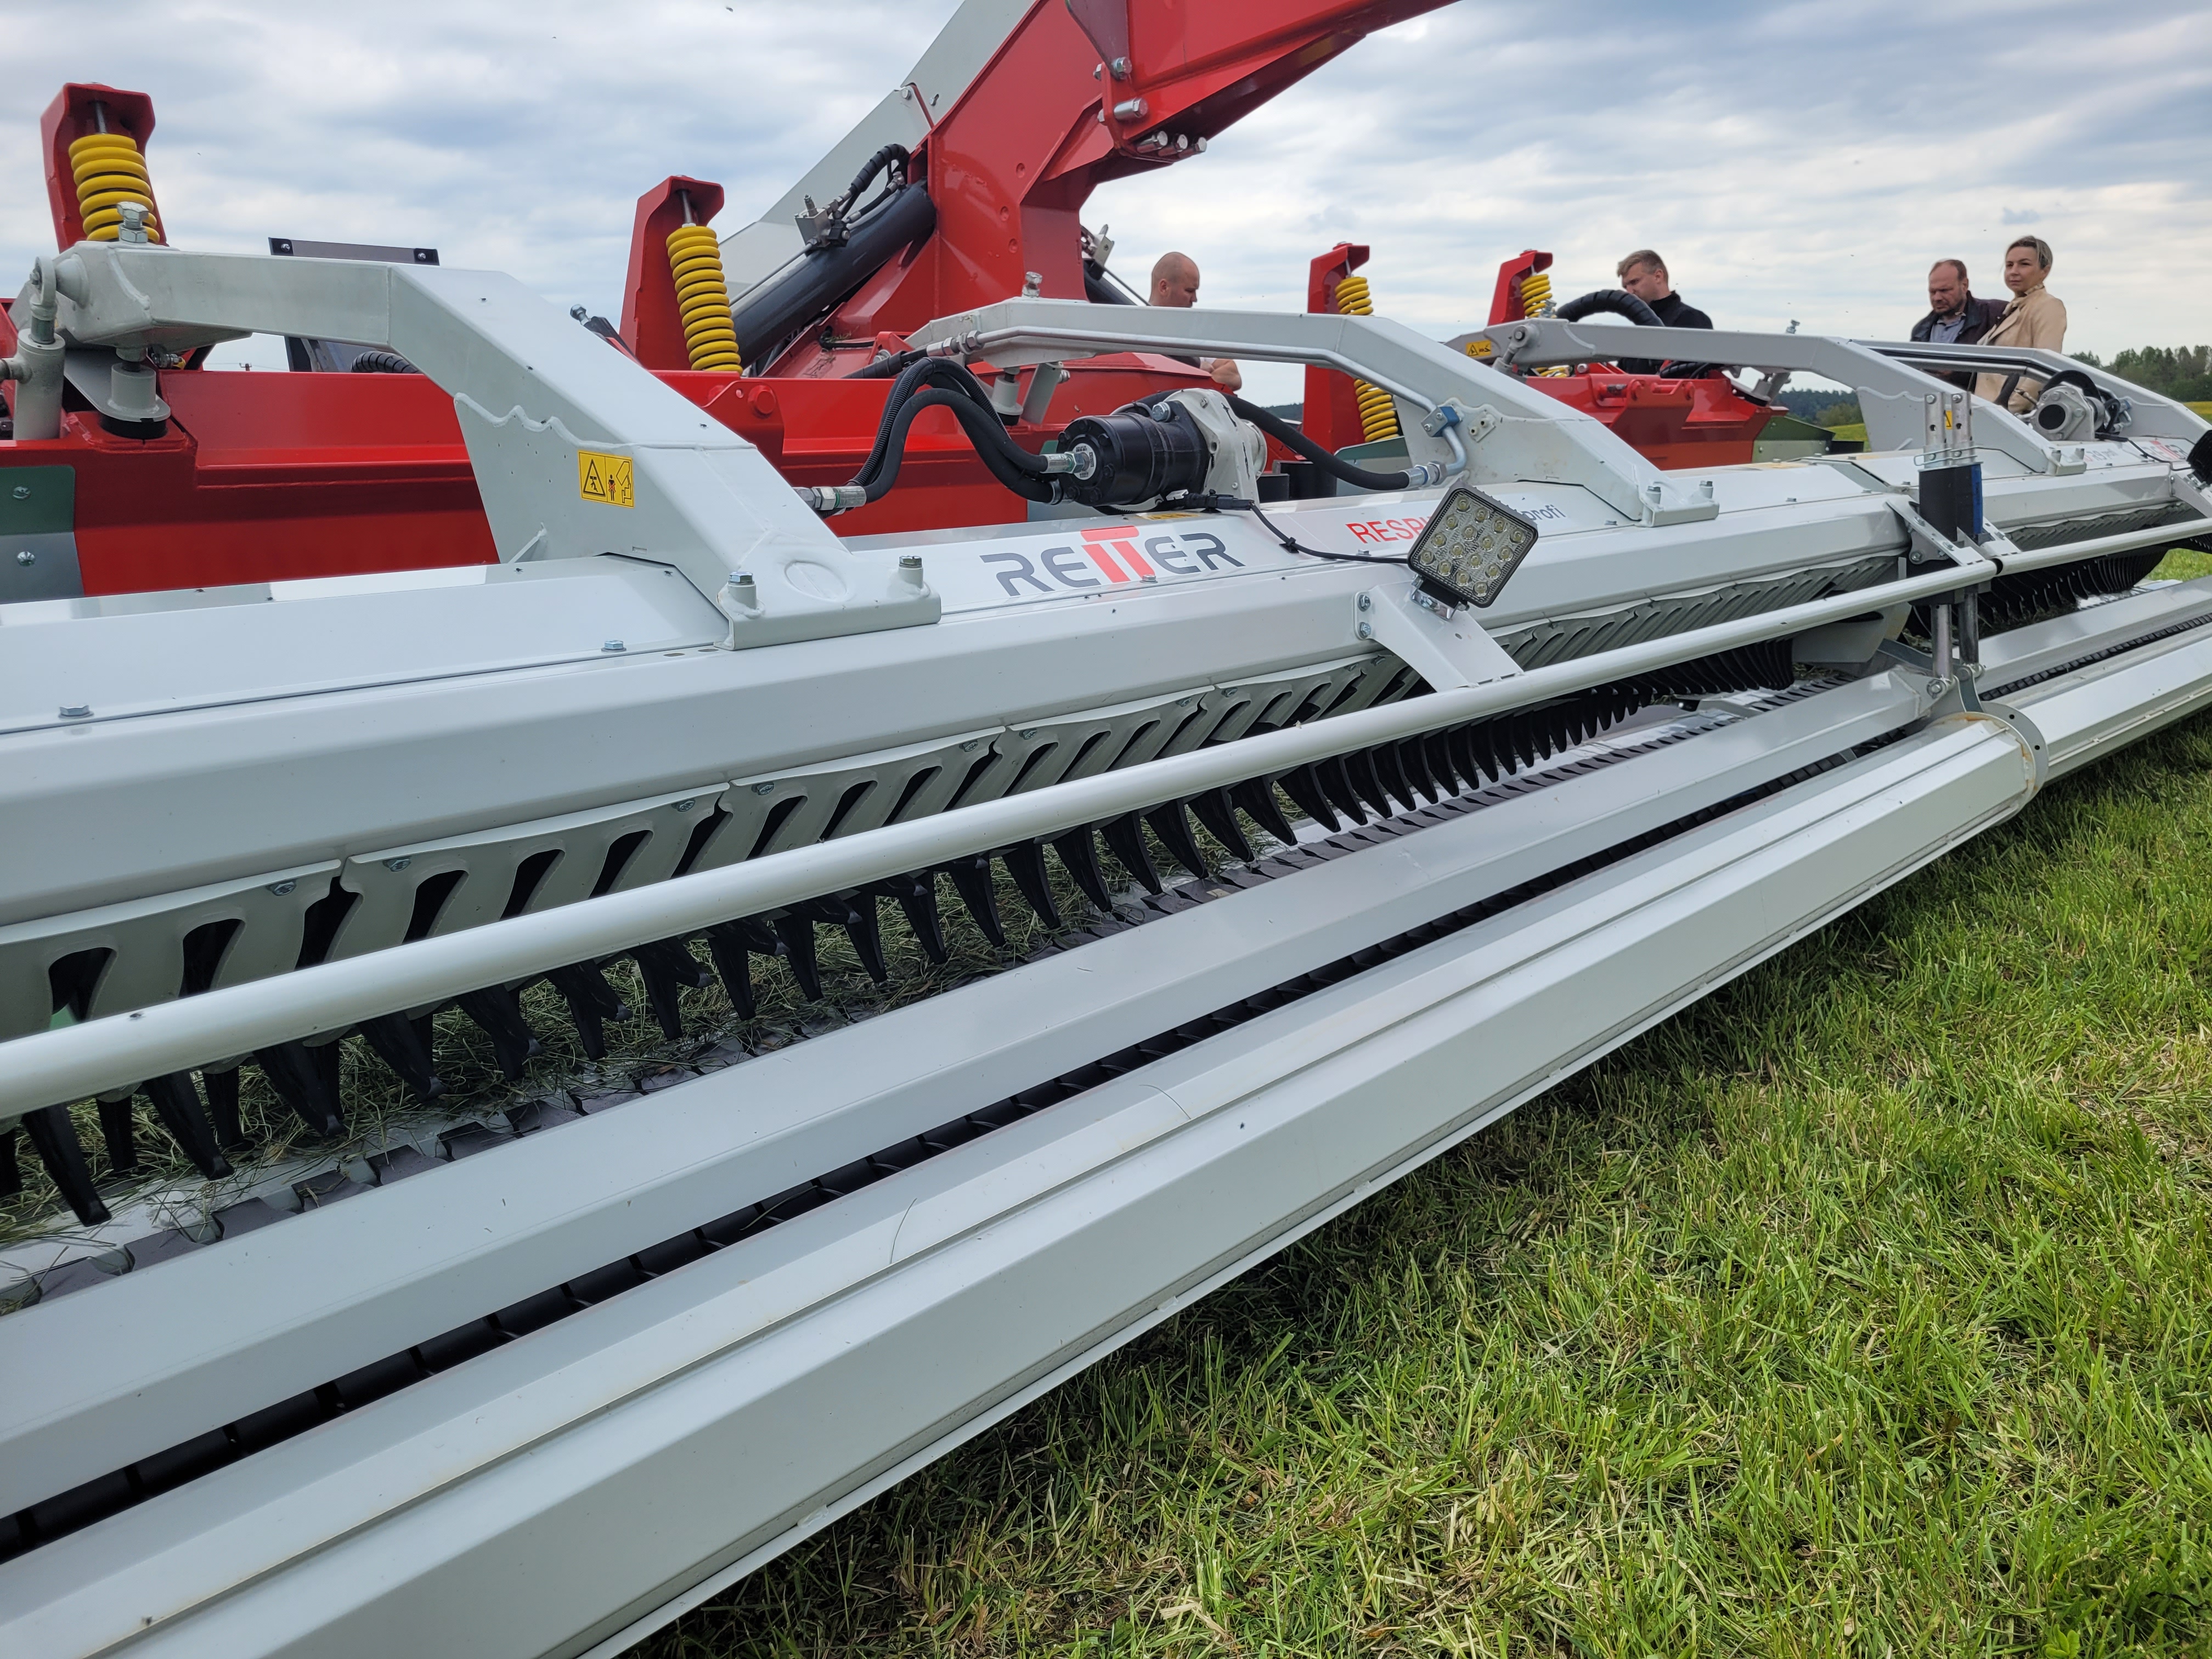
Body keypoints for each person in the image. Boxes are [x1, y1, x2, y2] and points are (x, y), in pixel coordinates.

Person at [1974, 236, 2066, 413]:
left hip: (2005, 417)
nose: (2014, 271)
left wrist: (2010, 409)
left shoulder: (2048, 306)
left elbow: (2046, 364)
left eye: (2024, 264)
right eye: (2009, 265)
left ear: (2044, 271)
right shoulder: (2015, 308)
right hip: (1985, 412)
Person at [1148, 251, 1242, 392]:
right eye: (1189, 291)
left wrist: (1197, 377)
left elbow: (1234, 376)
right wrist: (1200, 371)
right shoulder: (1135, 336)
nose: (1195, 299)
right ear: (1164, 287)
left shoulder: (1195, 333)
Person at [1614, 250, 1711, 374]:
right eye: (1625, 287)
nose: (1629, 292)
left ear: (1658, 276)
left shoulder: (1690, 319)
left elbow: (1693, 378)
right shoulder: (1637, 333)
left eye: (1634, 282)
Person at [1911, 259, 2005, 346]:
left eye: (1945, 290)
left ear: (1964, 286)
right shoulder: (1920, 331)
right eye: (1933, 292)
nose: (1937, 298)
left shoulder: (1995, 315)